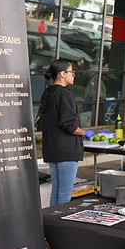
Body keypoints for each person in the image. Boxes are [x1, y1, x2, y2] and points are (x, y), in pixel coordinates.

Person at [39, 59, 86, 205]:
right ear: (62, 74)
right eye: (72, 72)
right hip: (66, 150)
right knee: (65, 192)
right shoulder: (65, 94)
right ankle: (60, 224)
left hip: (53, 149)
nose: (74, 75)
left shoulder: (48, 92)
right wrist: (84, 133)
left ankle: (52, 222)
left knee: (57, 189)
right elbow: (70, 125)